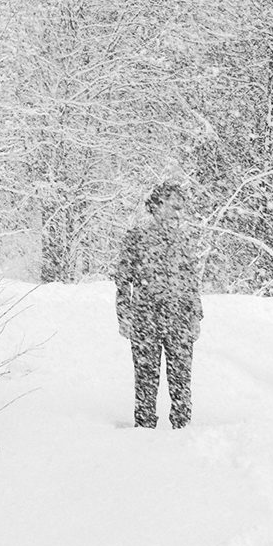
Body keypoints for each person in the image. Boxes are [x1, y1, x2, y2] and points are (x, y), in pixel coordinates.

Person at [114, 182, 203, 429]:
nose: (178, 212)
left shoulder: (184, 240)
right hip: (145, 319)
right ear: (157, 205)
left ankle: (183, 431)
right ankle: (144, 433)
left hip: (180, 320)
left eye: (181, 207)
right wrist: (124, 314)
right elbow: (122, 279)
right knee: (145, 380)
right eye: (174, 205)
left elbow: (191, 280)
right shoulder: (137, 238)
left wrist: (196, 316)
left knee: (181, 381)